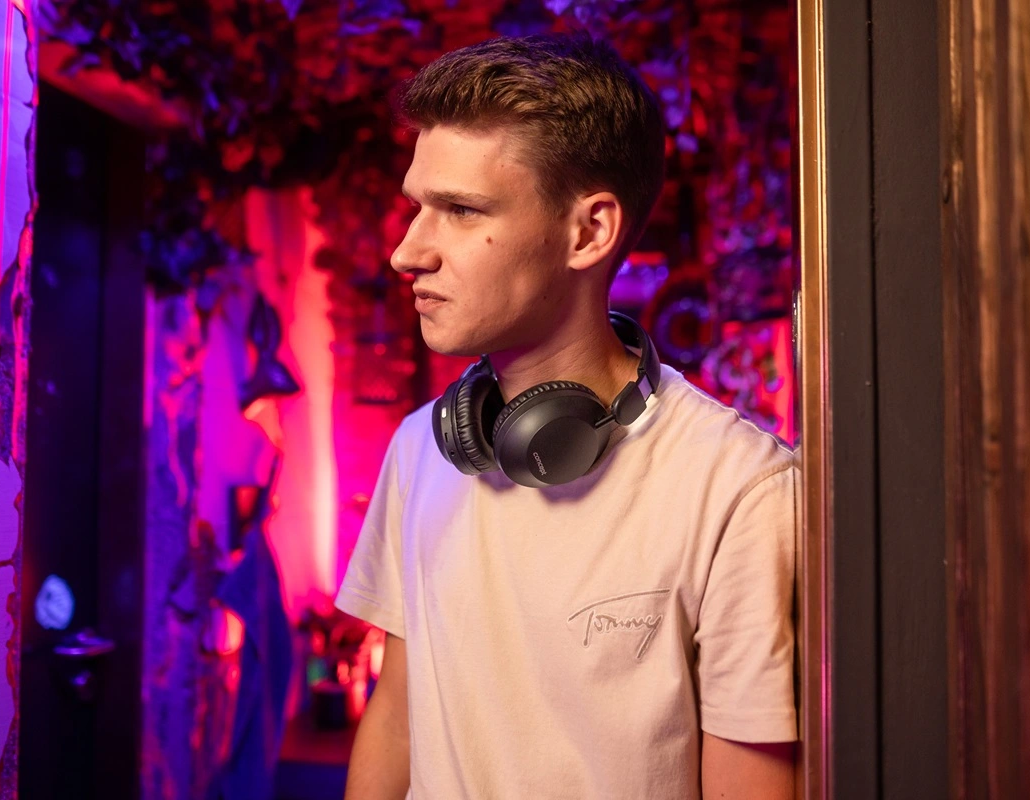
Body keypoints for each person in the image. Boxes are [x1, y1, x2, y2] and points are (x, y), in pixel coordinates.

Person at [335, 32, 798, 800]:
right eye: (418, 208)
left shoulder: (742, 491)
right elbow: (397, 720)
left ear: (589, 231)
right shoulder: (420, 448)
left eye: (460, 210)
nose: (407, 253)